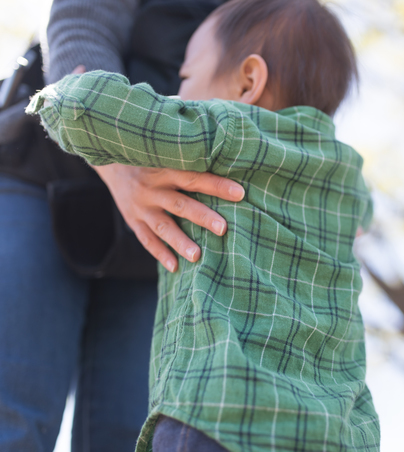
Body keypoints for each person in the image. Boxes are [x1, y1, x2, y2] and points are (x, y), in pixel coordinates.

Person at [28, 0, 381, 451]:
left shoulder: (223, 132)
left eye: (187, 78)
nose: (176, 93)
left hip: (217, 413)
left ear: (248, 82)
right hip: (332, 432)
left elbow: (91, 109)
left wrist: (62, 94)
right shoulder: (349, 180)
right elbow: (361, 222)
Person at [0, 0, 242, 451]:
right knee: (14, 421)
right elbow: (80, 26)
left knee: (126, 437)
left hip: (162, 226)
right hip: (42, 171)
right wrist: (119, 168)